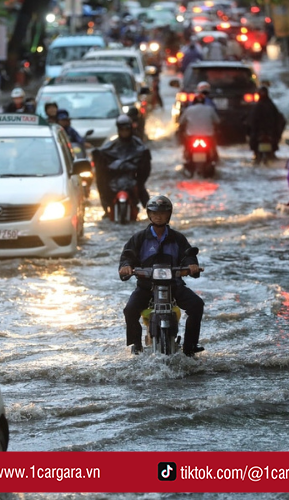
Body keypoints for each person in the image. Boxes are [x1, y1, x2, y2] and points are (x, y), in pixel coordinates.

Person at [118, 196, 204, 356]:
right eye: (154, 213)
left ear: (169, 215)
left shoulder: (178, 238)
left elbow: (188, 255)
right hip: (146, 286)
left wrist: (192, 265)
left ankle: (190, 346)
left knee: (197, 305)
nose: (158, 216)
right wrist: (126, 267)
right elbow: (127, 256)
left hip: (174, 285)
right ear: (149, 214)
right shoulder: (139, 238)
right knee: (130, 310)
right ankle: (136, 344)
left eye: (163, 213)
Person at [93, 115, 152, 217]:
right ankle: (107, 209)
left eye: (126, 130)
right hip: (114, 180)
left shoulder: (139, 146)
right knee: (103, 188)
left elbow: (145, 167)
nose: (124, 132)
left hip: (132, 179)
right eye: (122, 130)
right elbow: (102, 162)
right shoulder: (110, 146)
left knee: (142, 192)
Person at [178, 92, 220, 162]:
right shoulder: (210, 109)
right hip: (208, 136)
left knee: (187, 148)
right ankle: (214, 158)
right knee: (213, 147)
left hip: (191, 136)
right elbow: (217, 121)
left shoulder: (188, 109)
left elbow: (181, 122)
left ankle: (186, 156)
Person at [247, 86, 285, 163]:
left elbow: (250, 122)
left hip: (265, 136)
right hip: (266, 136)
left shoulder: (259, 107)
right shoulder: (270, 106)